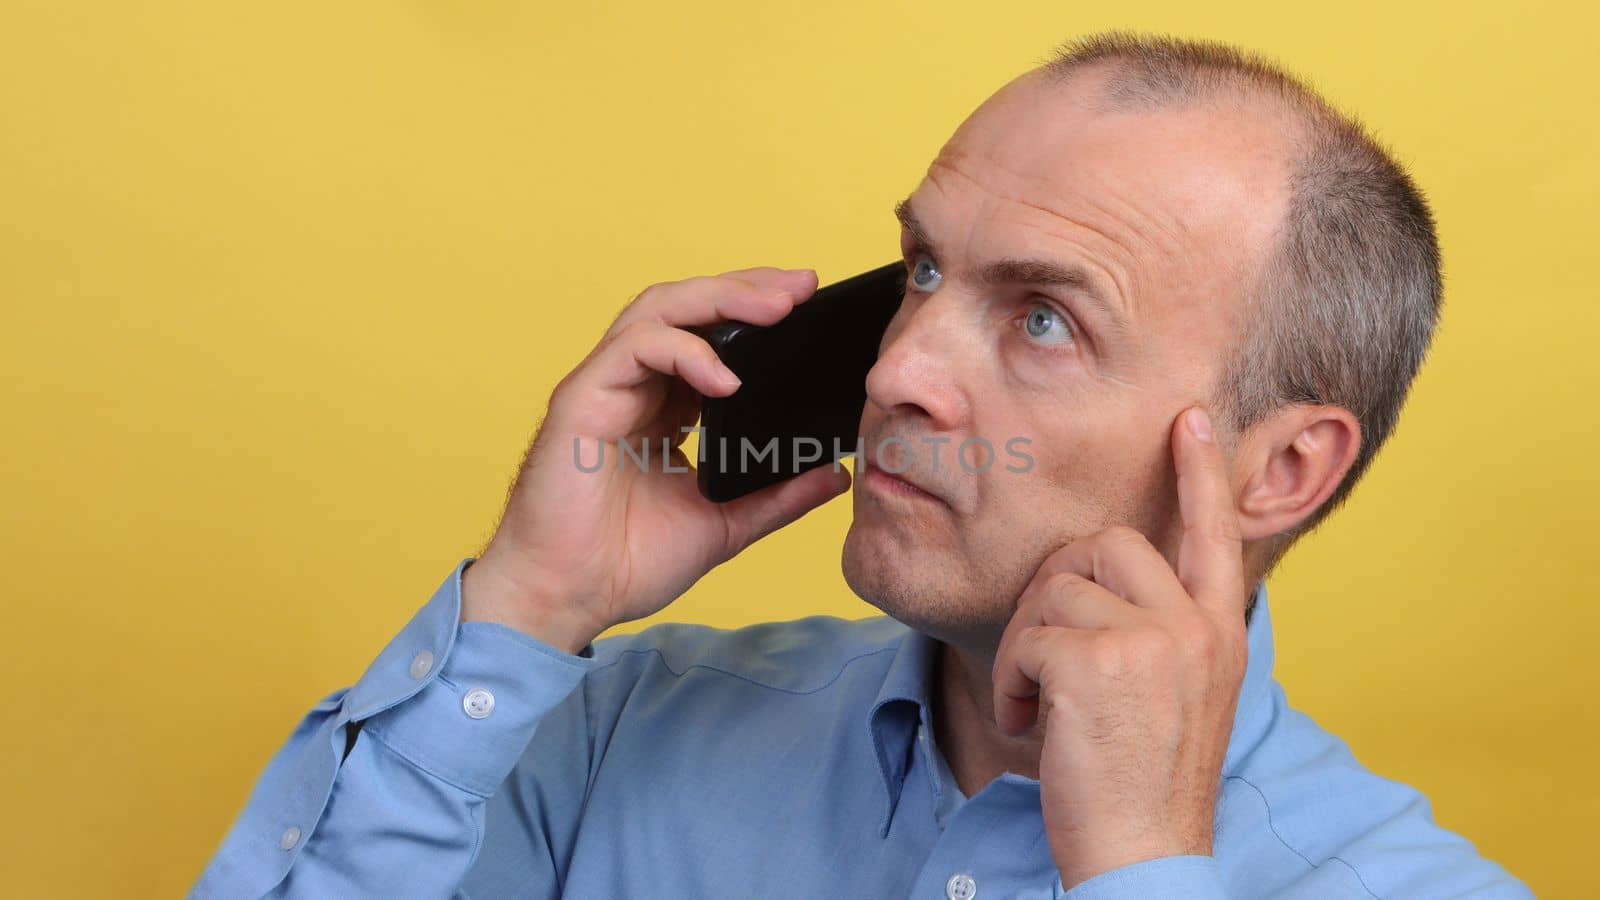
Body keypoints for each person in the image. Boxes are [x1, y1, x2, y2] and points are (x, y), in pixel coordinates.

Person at [193, 30, 1533, 899]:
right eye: (927, 271)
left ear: (1282, 469)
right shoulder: (611, 733)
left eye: (1047, 318)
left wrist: (1136, 870)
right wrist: (526, 611)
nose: (896, 368)